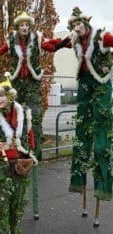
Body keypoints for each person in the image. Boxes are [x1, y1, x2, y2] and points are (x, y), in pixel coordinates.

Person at [0, 11, 70, 219]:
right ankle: (13, 145)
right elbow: (0, 51)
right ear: (17, 27)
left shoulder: (37, 38)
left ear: (30, 26)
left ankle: (35, 150)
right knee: (14, 113)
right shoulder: (11, 40)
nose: (25, 28)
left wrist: (66, 42)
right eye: (22, 25)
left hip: (32, 82)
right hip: (17, 82)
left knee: (33, 113)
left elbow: (51, 47)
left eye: (27, 25)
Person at [63, 7, 113, 202]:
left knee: (102, 137)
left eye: (78, 24)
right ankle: (78, 181)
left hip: (100, 84)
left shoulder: (101, 36)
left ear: (86, 24)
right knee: (82, 133)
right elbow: (53, 45)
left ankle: (104, 186)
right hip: (84, 83)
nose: (76, 27)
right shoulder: (74, 40)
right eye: (73, 25)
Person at [0, 76, 38, 234]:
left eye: (1, 95)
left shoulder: (23, 115)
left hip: (19, 168)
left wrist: (30, 157)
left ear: (11, 97)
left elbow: (30, 140)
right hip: (0, 167)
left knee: (17, 207)